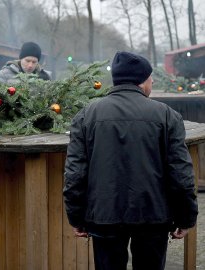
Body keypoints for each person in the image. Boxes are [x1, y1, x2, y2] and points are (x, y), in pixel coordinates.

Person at [63, 51, 198, 270]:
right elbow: (181, 174)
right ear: (142, 81)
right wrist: (185, 218)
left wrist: (76, 217)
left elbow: (75, 173)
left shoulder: (87, 115)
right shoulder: (166, 115)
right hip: (153, 216)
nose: (152, 82)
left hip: (104, 216)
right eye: (150, 77)